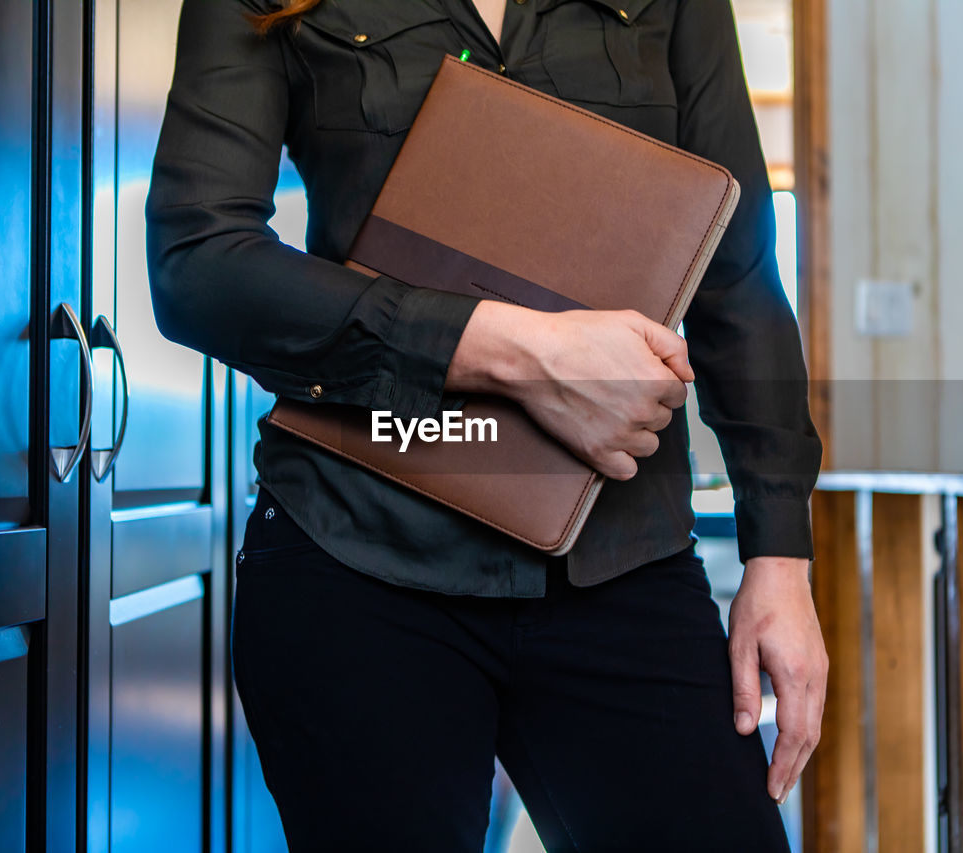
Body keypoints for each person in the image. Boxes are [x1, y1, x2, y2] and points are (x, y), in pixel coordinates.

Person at [145, 0, 827, 849]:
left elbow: (739, 276)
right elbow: (196, 263)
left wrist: (780, 559)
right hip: (358, 555)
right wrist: (506, 346)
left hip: (621, 560)